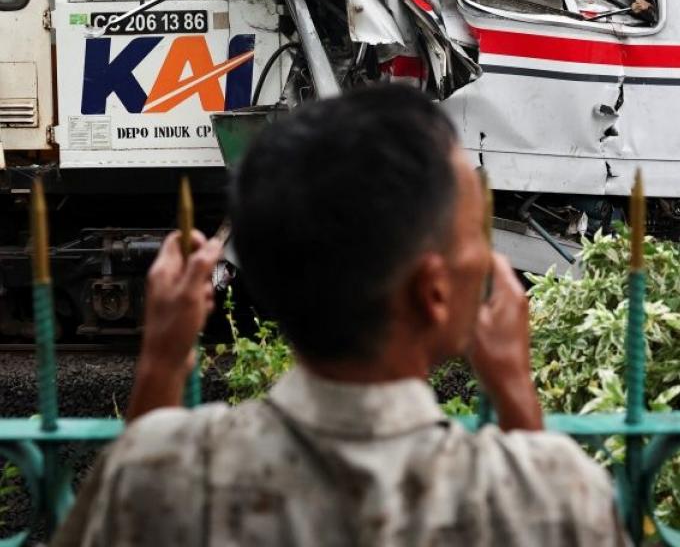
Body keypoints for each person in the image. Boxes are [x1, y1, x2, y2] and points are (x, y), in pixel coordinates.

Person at [53, 85, 629, 546]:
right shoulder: (549, 489)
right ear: (433, 292)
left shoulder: (161, 475)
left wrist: (160, 358)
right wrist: (516, 392)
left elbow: (131, 498)